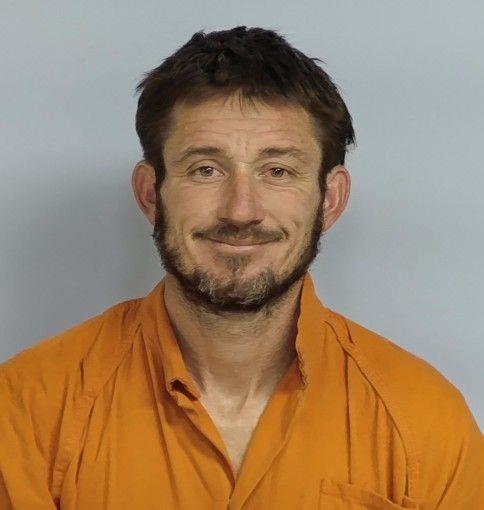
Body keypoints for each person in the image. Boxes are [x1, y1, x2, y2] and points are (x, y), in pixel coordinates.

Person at [0, 26, 482, 510]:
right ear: (151, 195)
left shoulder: (427, 422)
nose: (241, 211)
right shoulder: (25, 408)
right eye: (206, 169)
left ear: (330, 200)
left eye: (278, 171)